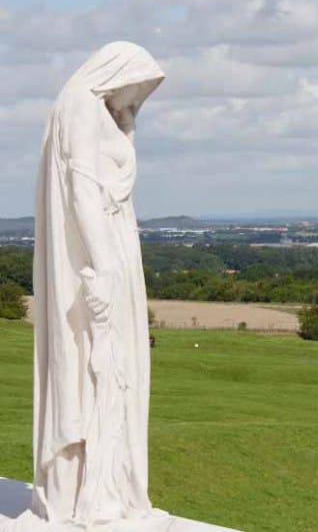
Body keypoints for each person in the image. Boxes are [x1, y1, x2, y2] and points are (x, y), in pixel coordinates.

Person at [9, 42, 166, 531]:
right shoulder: (79, 103)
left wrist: (127, 122)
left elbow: (107, 175)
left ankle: (113, 491)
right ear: (118, 72)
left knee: (116, 372)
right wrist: (101, 266)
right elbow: (81, 188)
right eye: (138, 90)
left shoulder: (96, 110)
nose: (138, 100)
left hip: (113, 245)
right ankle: (91, 495)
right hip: (101, 255)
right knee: (100, 370)